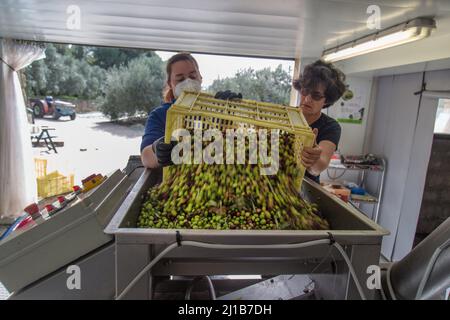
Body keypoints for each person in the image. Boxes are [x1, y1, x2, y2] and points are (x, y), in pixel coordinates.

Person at [141, 52, 240, 168]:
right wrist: (156, 149)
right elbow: (146, 157)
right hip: (181, 177)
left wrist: (229, 109)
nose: (188, 82)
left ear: (200, 77)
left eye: (193, 76)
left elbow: (235, 141)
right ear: (170, 84)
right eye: (180, 79)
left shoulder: (216, 108)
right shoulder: (160, 115)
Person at [293, 60, 347, 183]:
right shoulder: (285, 117)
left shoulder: (330, 127)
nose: (307, 99)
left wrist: (313, 159)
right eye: (305, 91)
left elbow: (318, 167)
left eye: (316, 96)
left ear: (326, 101)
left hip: (304, 189)